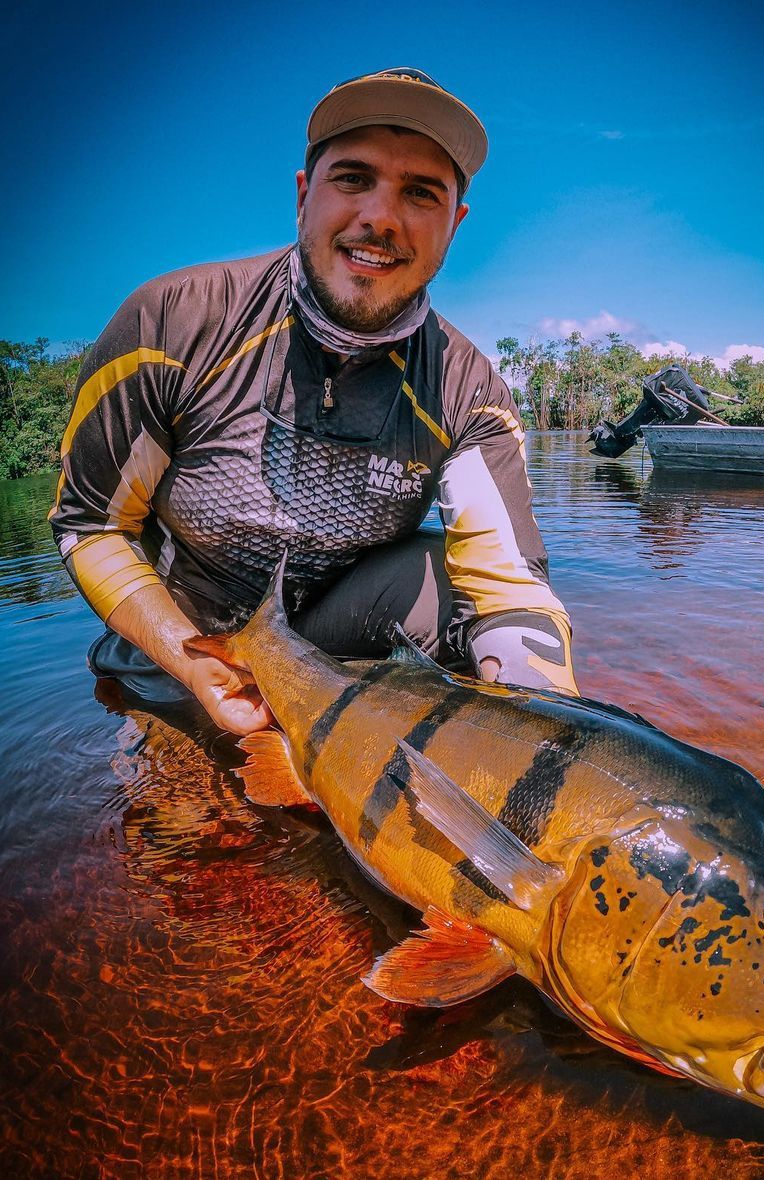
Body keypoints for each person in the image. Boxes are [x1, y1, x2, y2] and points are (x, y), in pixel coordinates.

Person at [50, 67, 578, 736]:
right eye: (353, 179)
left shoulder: (466, 389)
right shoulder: (173, 324)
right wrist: (197, 668)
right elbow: (92, 525)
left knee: (455, 581)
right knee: (183, 830)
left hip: (330, 647)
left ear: (454, 223)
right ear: (304, 195)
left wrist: (559, 743)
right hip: (184, 638)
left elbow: (509, 586)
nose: (381, 219)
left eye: (420, 193)